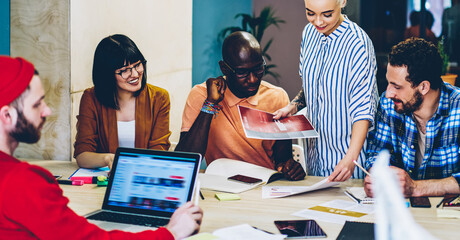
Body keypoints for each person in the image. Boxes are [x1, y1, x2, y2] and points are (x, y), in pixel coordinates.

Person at [0, 56, 203, 239]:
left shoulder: (157, 97)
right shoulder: (22, 183)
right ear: (7, 115)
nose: (47, 110)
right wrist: (171, 232)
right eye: (37, 104)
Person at [175, 31, 305, 181]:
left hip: (265, 185)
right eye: (242, 72)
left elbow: (283, 161)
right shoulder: (201, 95)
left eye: (258, 69)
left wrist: (290, 168)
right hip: (222, 186)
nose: (252, 79)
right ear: (224, 69)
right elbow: (185, 161)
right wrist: (210, 105)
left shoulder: (276, 96)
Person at [273, 0, 378, 181]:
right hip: (314, 162)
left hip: (347, 163)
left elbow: (364, 109)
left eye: (327, 14)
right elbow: (312, 85)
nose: (319, 22)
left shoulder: (358, 43)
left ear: (343, 2)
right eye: (311, 13)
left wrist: (350, 159)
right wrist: (293, 106)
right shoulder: (309, 34)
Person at [364, 38, 460, 197]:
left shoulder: (456, 107)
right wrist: (378, 176)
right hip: (402, 212)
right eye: (389, 84)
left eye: (397, 87)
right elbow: (377, 152)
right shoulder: (390, 105)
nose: (388, 93)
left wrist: (416, 187)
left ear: (423, 87)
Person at [74, 34, 171, 169]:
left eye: (137, 65)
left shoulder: (159, 98)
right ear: (107, 74)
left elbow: (158, 151)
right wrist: (108, 158)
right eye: (124, 70)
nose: (135, 74)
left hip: (145, 175)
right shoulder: (91, 98)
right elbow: (83, 155)